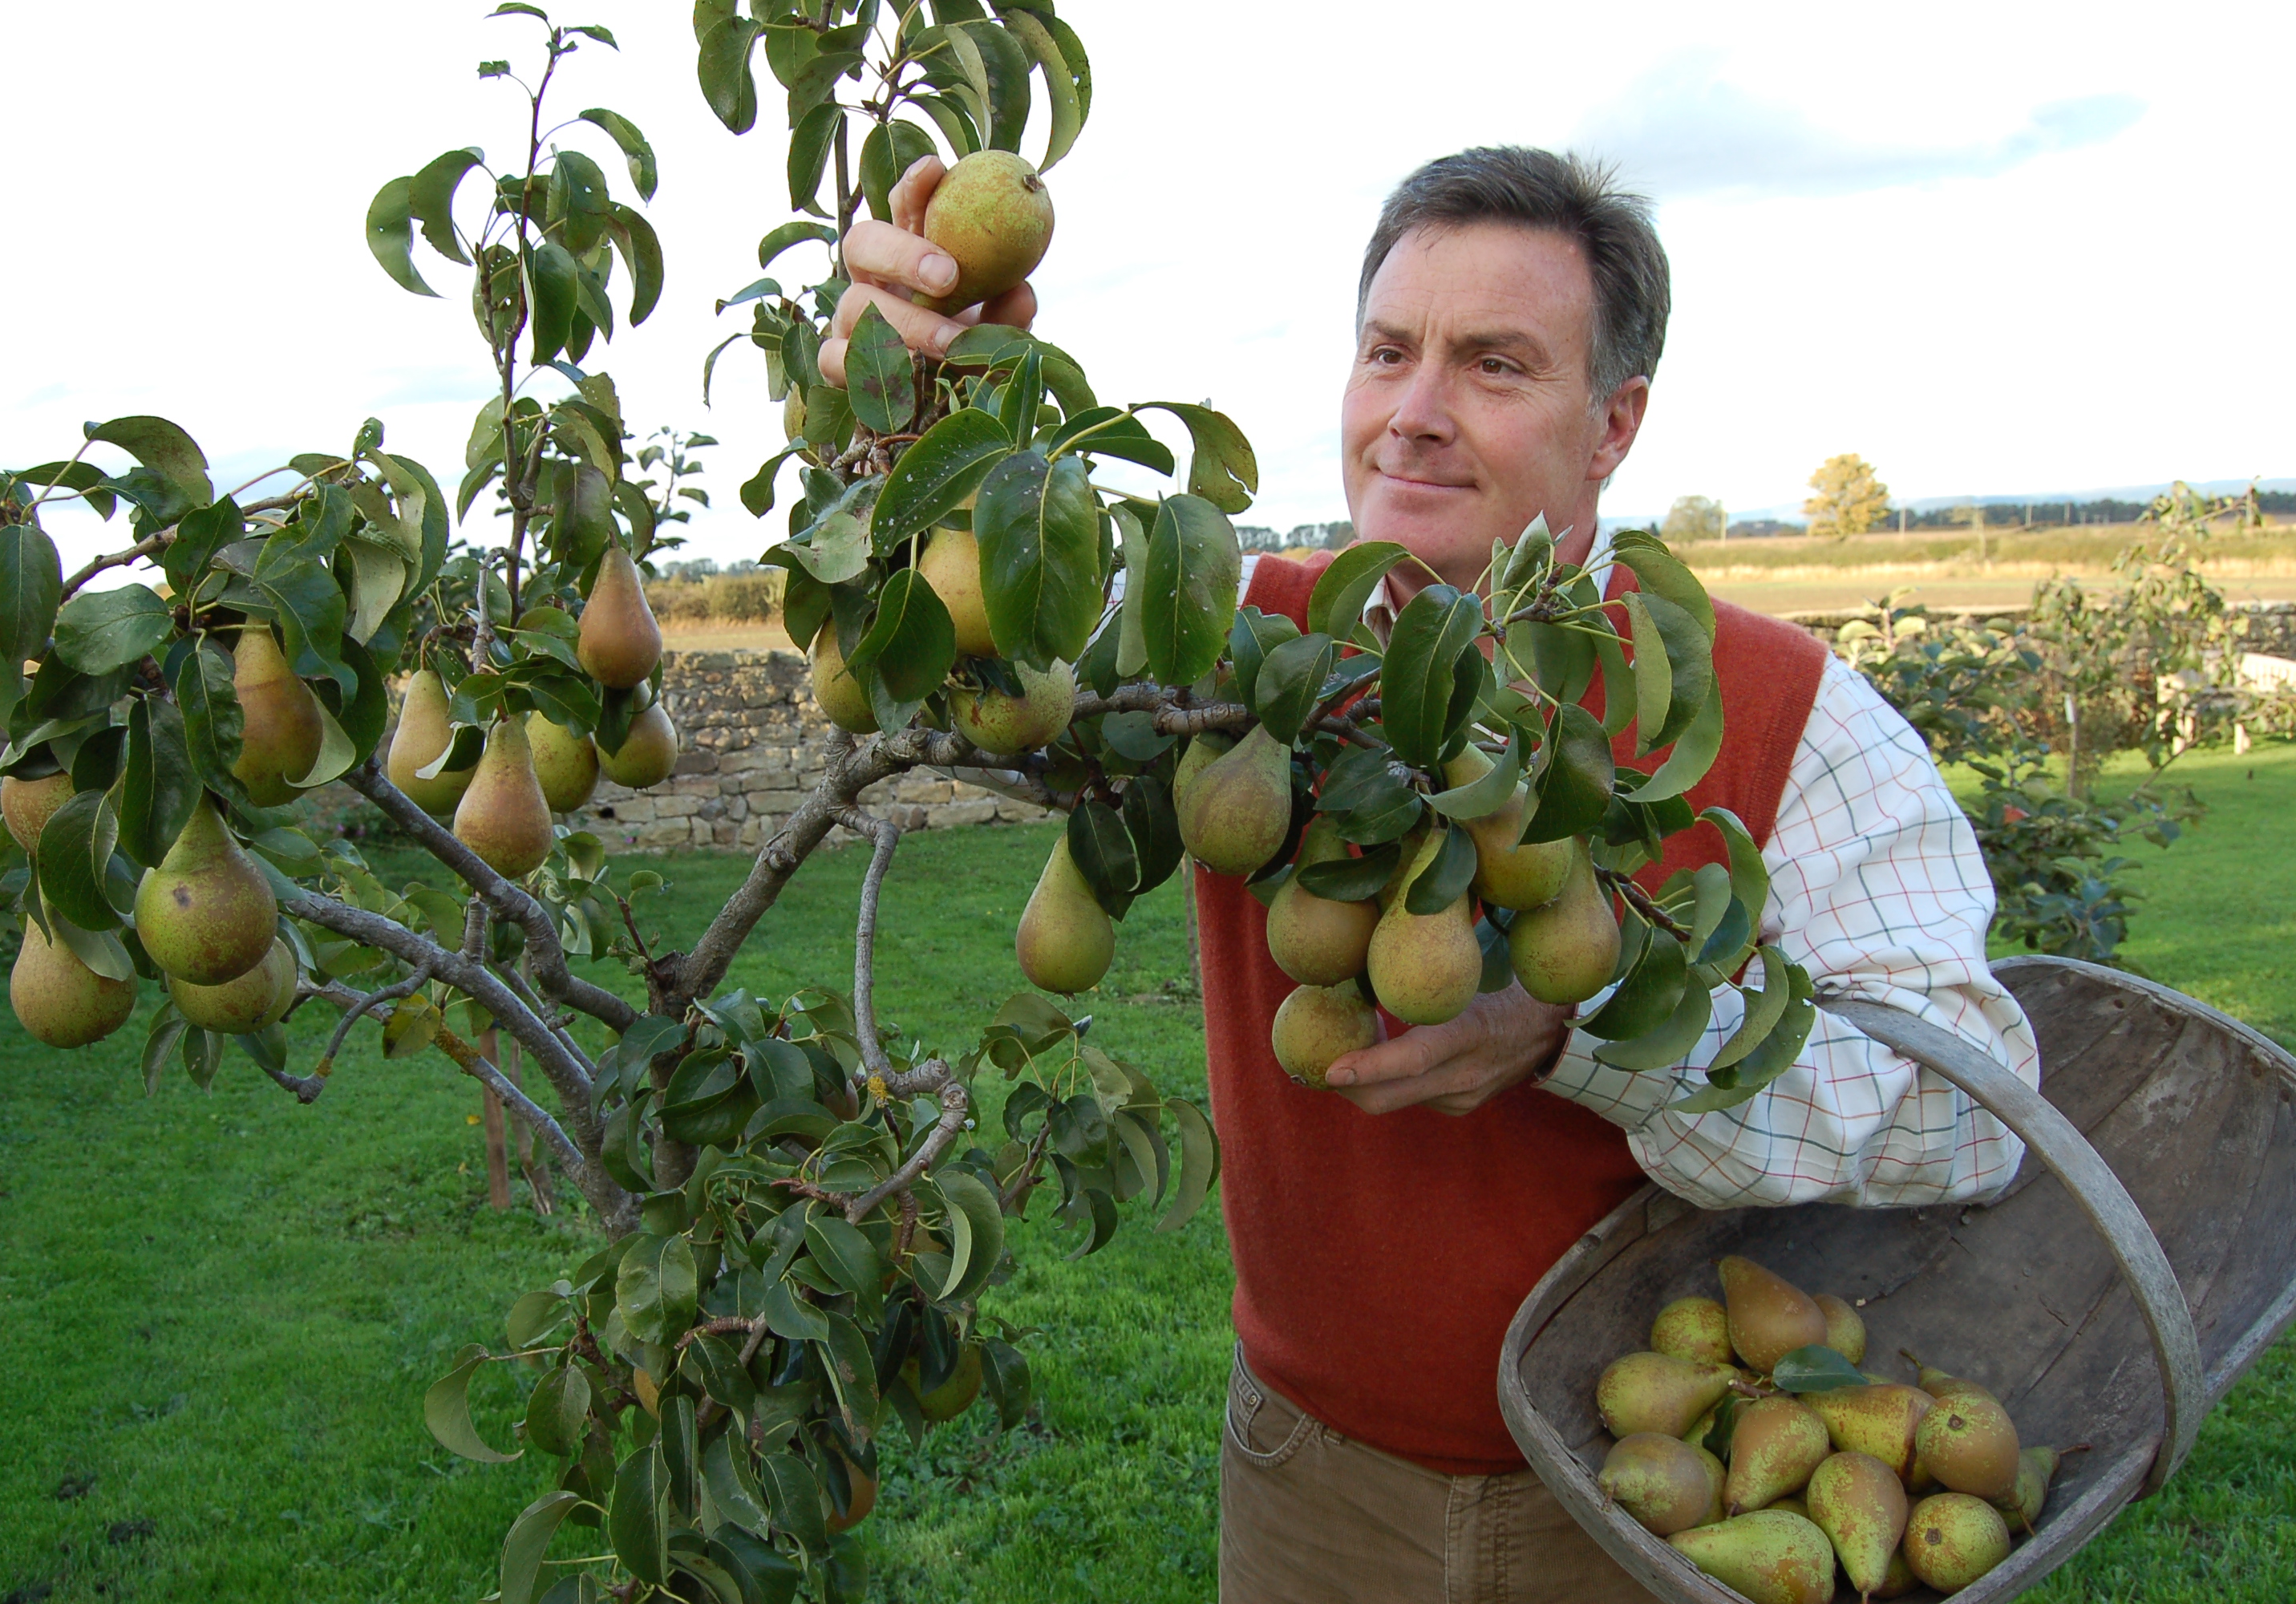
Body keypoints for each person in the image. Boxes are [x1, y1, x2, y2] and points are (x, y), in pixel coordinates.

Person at [826, 147, 2040, 1604]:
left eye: (1495, 365)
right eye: (1388, 352)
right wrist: (919, 410)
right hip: (1308, 1485)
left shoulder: (1792, 718)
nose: (1413, 413)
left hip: (1660, 1503)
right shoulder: (1225, 647)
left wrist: (1596, 1030)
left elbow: (1975, 1114)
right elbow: (946, 665)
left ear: (1614, 424)